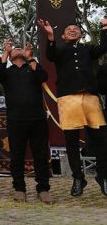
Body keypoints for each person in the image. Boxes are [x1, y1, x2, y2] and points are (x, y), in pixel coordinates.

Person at [39, 18, 107, 197]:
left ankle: (103, 176)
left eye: (76, 29)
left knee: (100, 138)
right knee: (71, 140)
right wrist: (51, 37)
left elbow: (103, 48)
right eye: (68, 29)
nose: (72, 30)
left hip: (90, 97)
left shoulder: (87, 49)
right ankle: (78, 178)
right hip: (68, 99)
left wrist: (105, 28)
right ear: (63, 35)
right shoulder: (59, 49)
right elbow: (50, 55)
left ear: (81, 34)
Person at [0, 40, 53, 204]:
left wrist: (31, 58)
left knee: (40, 155)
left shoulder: (32, 68)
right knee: (17, 156)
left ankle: (43, 189)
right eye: (15, 49)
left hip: (37, 119)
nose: (18, 49)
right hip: (16, 120)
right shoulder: (8, 72)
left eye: (21, 49)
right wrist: (6, 51)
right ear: (11, 57)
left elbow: (43, 77)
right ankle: (19, 189)